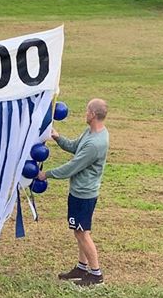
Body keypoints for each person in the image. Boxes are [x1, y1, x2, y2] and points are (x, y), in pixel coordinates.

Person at [37, 98, 110, 287]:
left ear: (93, 114)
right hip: (80, 192)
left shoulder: (95, 144)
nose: (85, 113)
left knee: (82, 233)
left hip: (84, 195)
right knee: (79, 230)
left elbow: (72, 167)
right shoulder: (92, 133)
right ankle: (82, 267)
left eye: (87, 111)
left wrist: (46, 174)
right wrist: (57, 137)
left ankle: (96, 275)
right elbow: (74, 147)